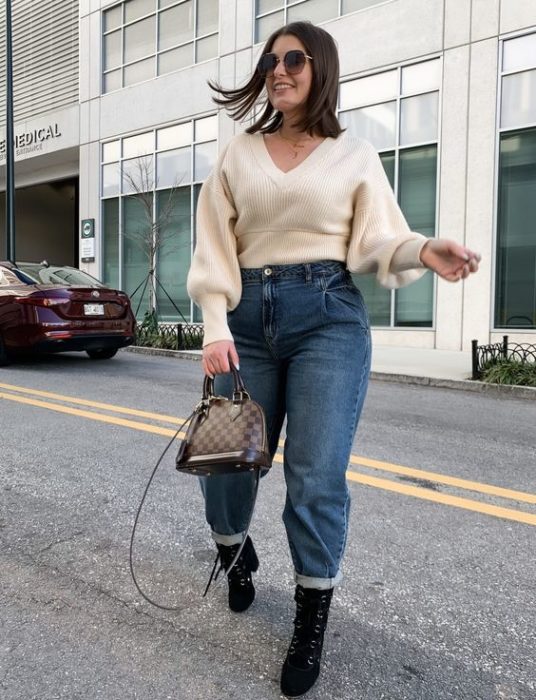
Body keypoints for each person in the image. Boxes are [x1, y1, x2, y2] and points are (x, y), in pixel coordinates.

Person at [187, 20, 480, 698]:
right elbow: (211, 244)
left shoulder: (355, 155)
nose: (280, 69)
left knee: (316, 476)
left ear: (321, 68)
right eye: (271, 59)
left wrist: (422, 250)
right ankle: (234, 551)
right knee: (227, 465)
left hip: (329, 321)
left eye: (294, 58)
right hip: (244, 323)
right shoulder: (238, 153)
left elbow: (383, 238)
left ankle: (310, 613)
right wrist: (211, 322)